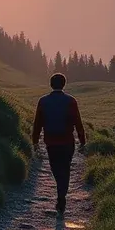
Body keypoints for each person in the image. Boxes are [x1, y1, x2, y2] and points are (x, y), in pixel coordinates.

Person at [32, 73, 86, 214]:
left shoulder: (43, 101)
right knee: (65, 169)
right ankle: (62, 196)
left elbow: (37, 123)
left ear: (51, 84)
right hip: (67, 142)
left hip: (51, 142)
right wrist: (82, 141)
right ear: (64, 84)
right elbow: (78, 122)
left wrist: (35, 141)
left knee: (55, 169)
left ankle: (60, 193)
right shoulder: (71, 101)